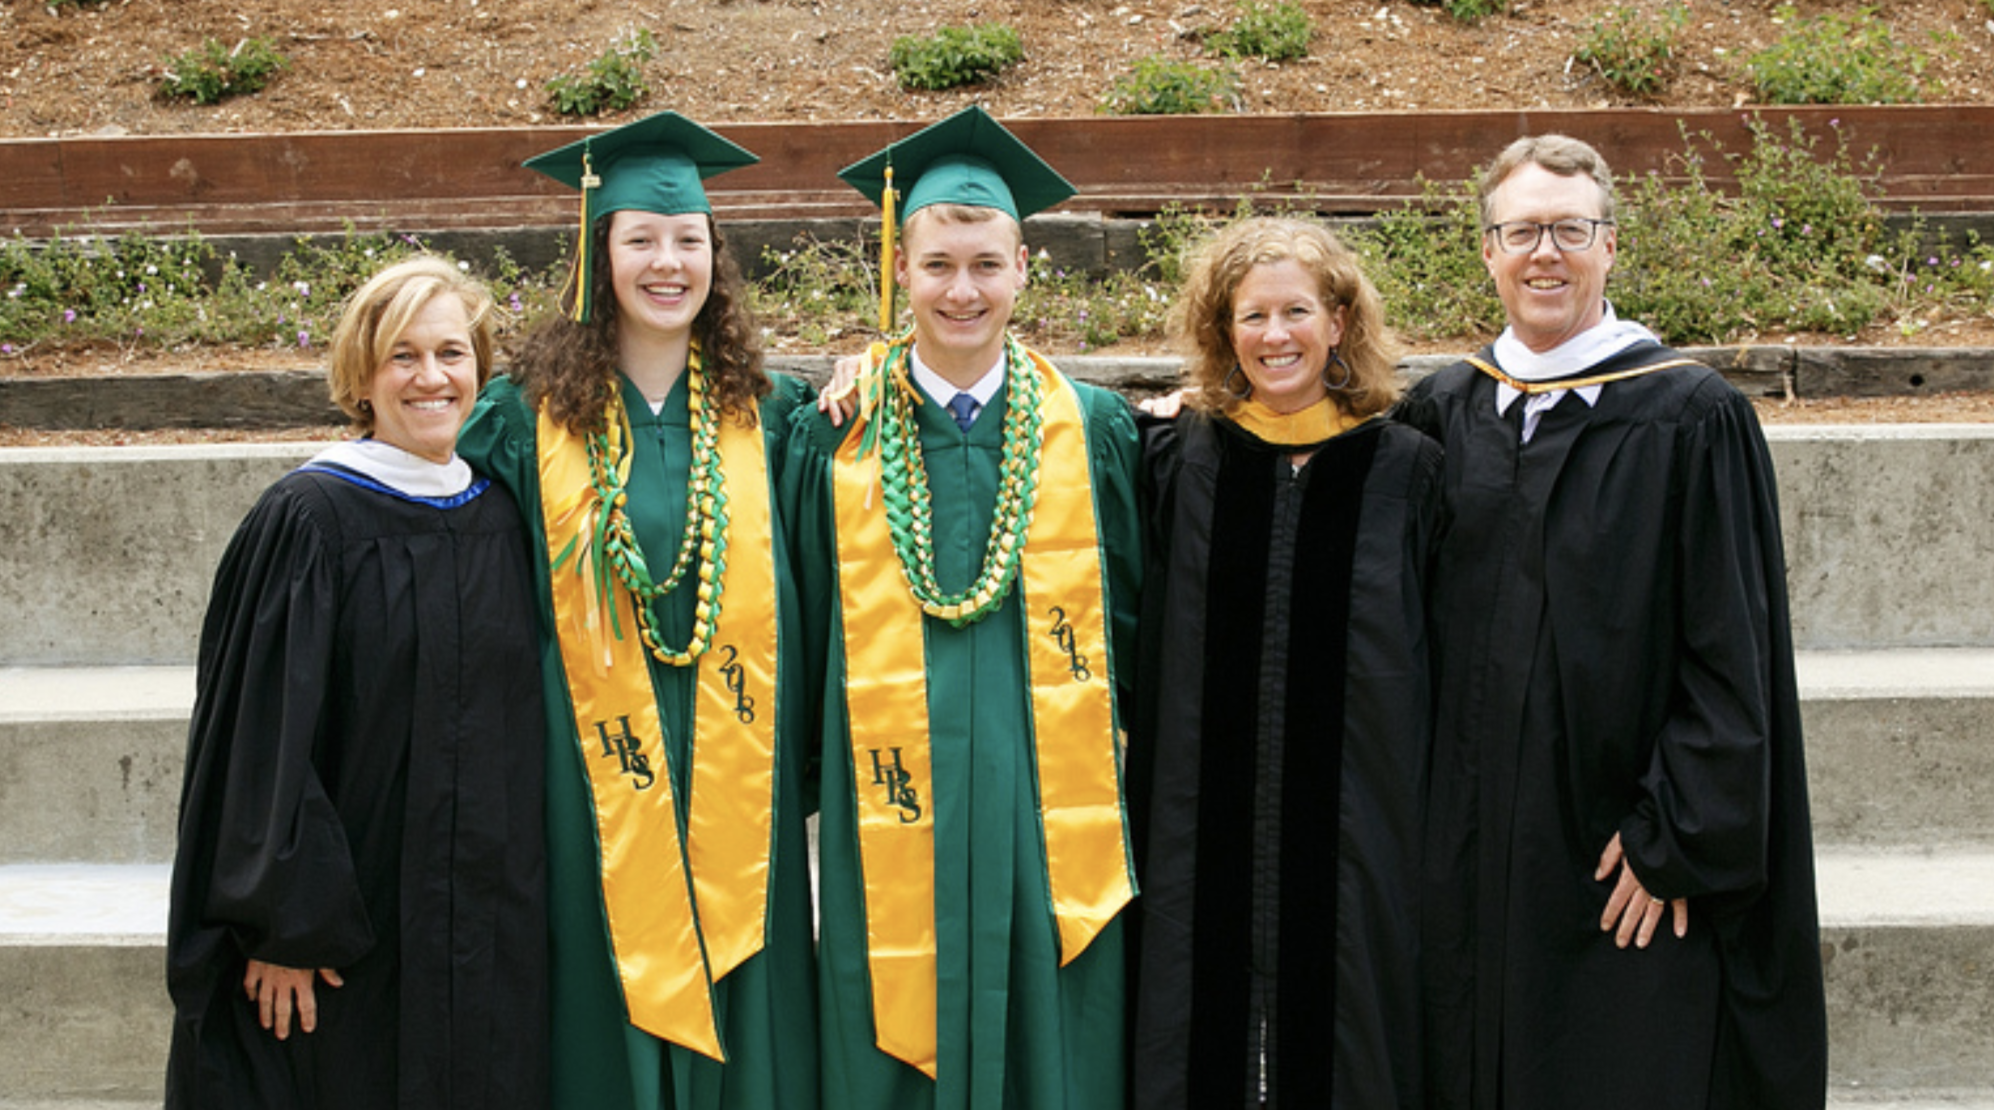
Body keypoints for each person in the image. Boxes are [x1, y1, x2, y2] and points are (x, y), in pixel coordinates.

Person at [1400, 134, 1828, 1109]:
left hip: (1615, 850)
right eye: (1520, 231)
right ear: (1486, 252)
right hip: (1466, 849)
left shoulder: (1687, 416)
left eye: (1567, 229)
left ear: (1608, 246)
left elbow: (1731, 643)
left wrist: (1677, 833)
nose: (1542, 253)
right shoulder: (1442, 410)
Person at [781, 104, 1143, 1109]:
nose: (961, 289)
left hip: (1045, 789)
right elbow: (802, 615)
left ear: (1024, 267)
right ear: (900, 271)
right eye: (937, 264)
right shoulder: (836, 438)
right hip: (884, 787)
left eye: (985, 264)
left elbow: (1136, 617)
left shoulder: (1091, 428)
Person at [455, 111, 818, 1110]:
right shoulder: (518, 417)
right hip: (588, 776)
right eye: (640, 239)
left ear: (716, 256)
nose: (668, 262)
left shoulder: (775, 414)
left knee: (744, 965)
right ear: (595, 251)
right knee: (600, 983)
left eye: (688, 240)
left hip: (738, 765)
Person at [165, 255, 548, 1109]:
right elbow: (259, 739)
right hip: (347, 934)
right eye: (402, 356)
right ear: (361, 377)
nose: (431, 377)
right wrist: (283, 925)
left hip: (485, 919)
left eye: (452, 354)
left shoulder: (499, 513)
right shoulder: (309, 520)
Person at [1127, 216, 1441, 1108]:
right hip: (1197, 831)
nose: (1275, 336)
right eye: (1251, 316)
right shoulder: (1177, 459)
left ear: (1338, 322)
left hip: (1362, 835)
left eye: (1295, 311)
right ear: (1223, 330)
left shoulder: (1407, 471)